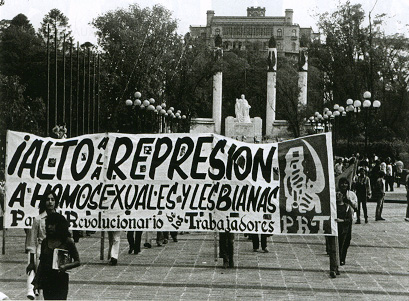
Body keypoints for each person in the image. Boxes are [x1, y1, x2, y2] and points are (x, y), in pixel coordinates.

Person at [32, 212, 80, 300]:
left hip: (61, 279)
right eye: (48, 224)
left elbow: (77, 261)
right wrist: (36, 282)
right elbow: (42, 263)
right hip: (47, 279)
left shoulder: (67, 241)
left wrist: (66, 266)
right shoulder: (45, 242)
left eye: (52, 224)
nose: (49, 227)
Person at [26, 191, 58, 300]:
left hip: (56, 252)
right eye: (48, 199)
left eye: (52, 199)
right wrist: (31, 262)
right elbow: (31, 242)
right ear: (44, 202)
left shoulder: (60, 218)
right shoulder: (38, 219)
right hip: (41, 252)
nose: (50, 202)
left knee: (54, 282)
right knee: (41, 282)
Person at [336, 178, 357, 267]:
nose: (344, 185)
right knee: (338, 240)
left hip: (348, 218)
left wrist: (349, 200)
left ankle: (342, 257)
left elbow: (356, 206)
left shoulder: (351, 194)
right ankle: (338, 258)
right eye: (342, 183)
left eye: (346, 183)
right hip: (338, 219)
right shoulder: (336, 193)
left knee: (347, 240)